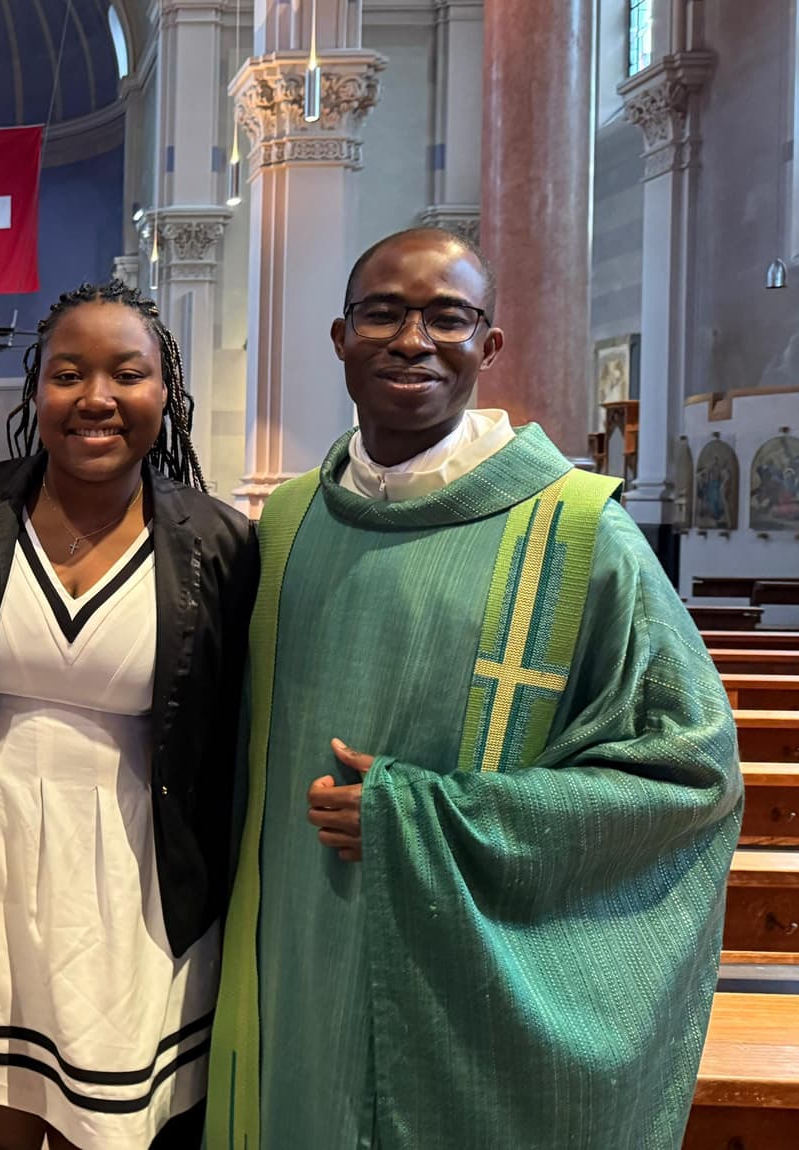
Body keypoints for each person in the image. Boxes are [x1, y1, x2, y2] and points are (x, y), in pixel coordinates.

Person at [206, 228, 742, 1149]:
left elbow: (690, 775)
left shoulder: (578, 530)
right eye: (383, 314)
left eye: (447, 318)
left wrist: (425, 818)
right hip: (298, 952)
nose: (412, 340)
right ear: (340, 337)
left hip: (464, 973)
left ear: (488, 346)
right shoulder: (290, 523)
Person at [0, 282, 257, 1150]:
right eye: (68, 374)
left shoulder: (217, 542)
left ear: (164, 392)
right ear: (36, 391)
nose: (96, 397)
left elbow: (233, 728)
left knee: (106, 1126)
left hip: (135, 870)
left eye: (126, 374)